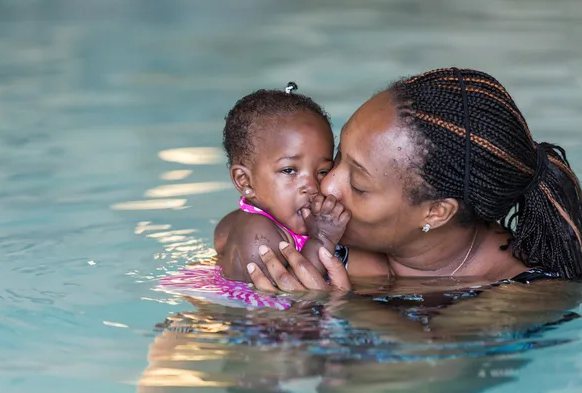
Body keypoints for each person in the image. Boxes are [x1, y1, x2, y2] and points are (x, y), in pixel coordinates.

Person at [246, 67, 582, 292]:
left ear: (436, 212)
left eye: (359, 185)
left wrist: (333, 310)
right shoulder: (323, 237)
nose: (326, 184)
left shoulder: (512, 298)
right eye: (337, 157)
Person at [214, 82, 349, 283]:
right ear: (245, 181)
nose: (311, 186)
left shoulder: (260, 215)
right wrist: (322, 239)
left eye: (322, 171)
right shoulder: (258, 235)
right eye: (289, 170)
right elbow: (286, 295)